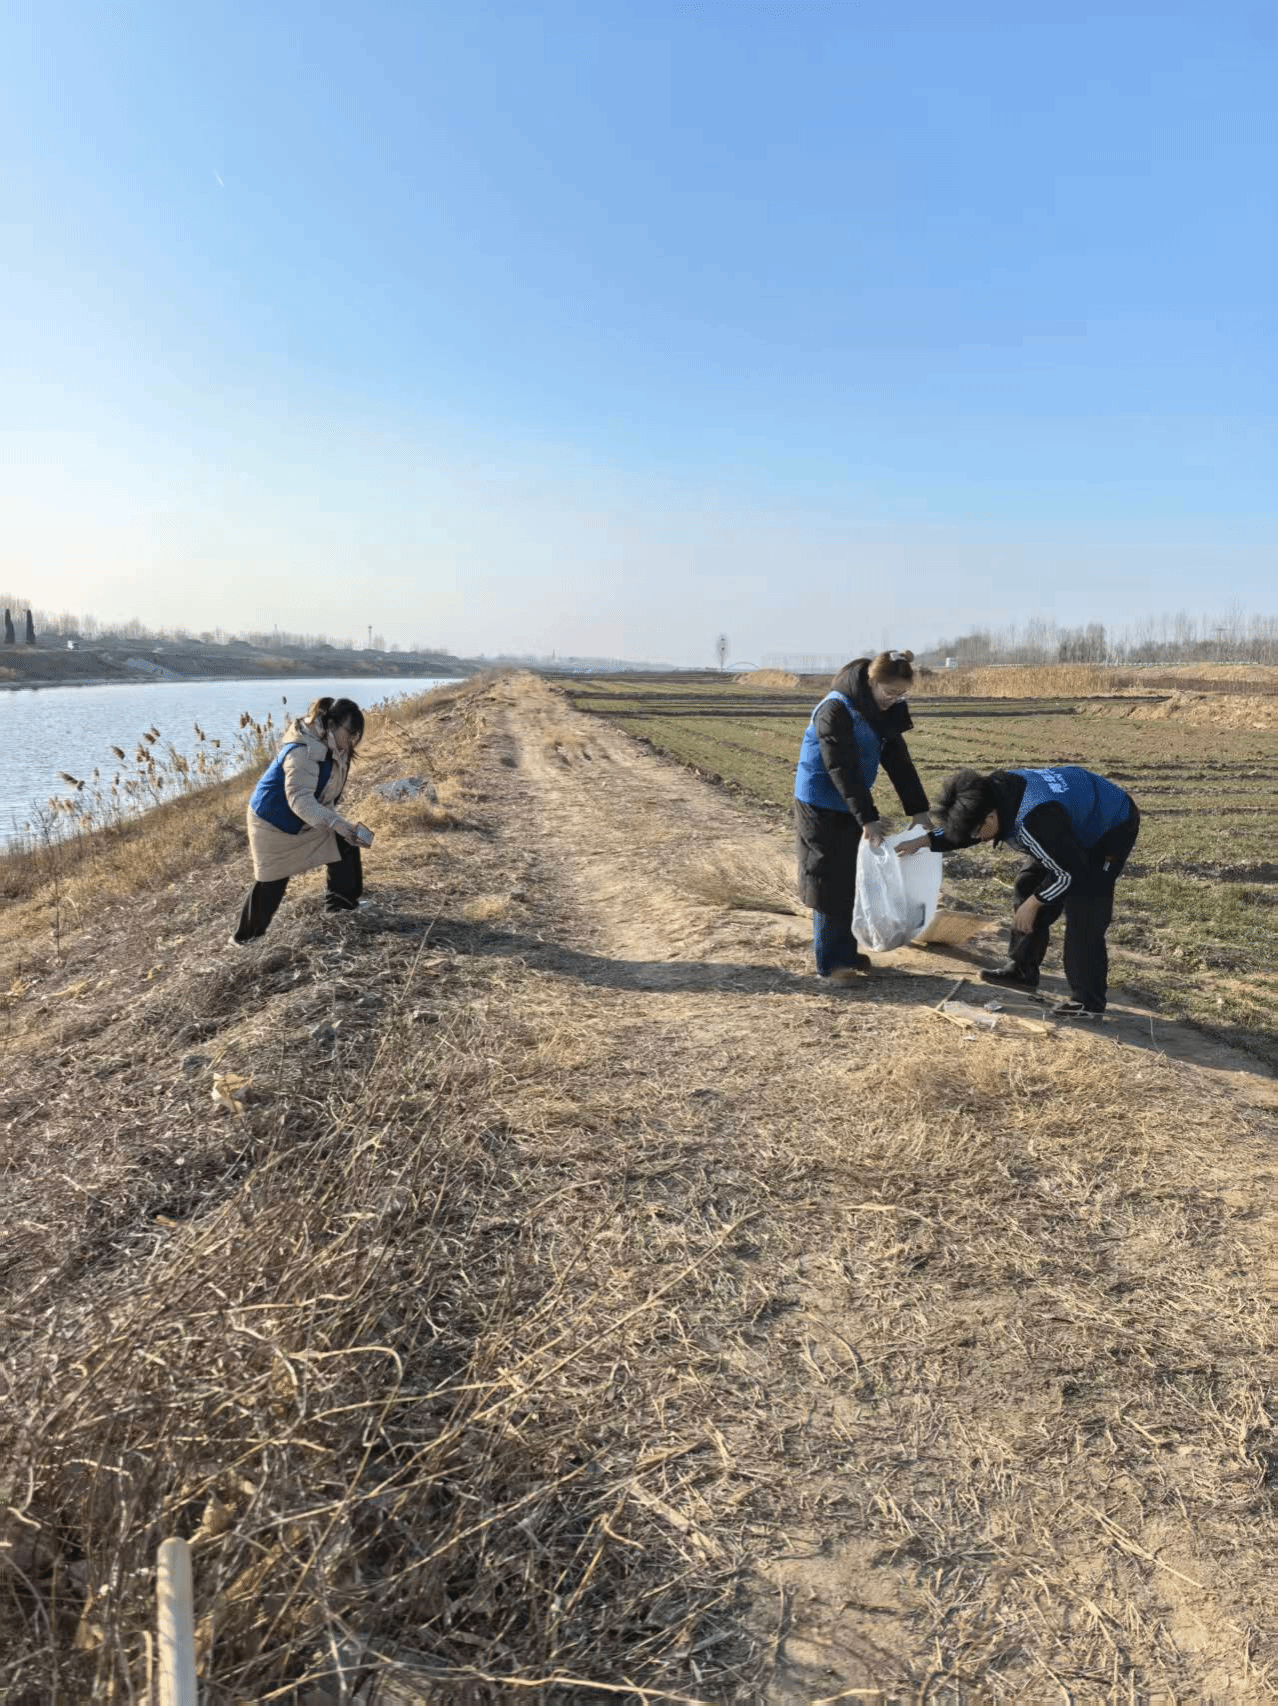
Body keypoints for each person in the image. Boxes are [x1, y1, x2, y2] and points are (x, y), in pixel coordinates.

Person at [898, 764, 1140, 1016]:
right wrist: (924, 841)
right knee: (1028, 884)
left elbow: (1068, 872)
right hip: (1063, 823)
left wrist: (1034, 903)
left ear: (991, 817)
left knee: (1084, 909)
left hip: (1109, 825)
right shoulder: (988, 797)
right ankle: (1022, 971)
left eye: (978, 833)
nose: (978, 839)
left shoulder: (1035, 820)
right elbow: (968, 827)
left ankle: (1088, 1003)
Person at [793, 650, 932, 980]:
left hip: (851, 803)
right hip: (820, 802)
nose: (894, 700)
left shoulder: (882, 711)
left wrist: (919, 811)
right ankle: (831, 965)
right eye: (890, 692)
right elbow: (841, 768)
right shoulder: (835, 709)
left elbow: (899, 762)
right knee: (829, 880)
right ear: (871, 682)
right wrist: (868, 818)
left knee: (853, 876)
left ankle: (846, 952)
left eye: (901, 694)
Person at [231, 696, 372, 944]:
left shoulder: (335, 748)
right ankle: (244, 940)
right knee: (272, 880)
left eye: (356, 735)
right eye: (350, 733)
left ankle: (342, 906)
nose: (353, 740)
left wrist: (340, 826)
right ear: (331, 724)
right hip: (271, 821)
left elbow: (324, 793)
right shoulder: (303, 751)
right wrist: (336, 823)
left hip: (305, 817)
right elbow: (300, 800)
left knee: (344, 842)